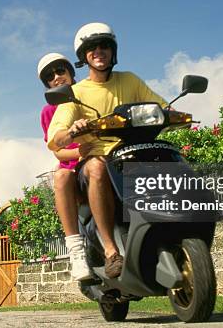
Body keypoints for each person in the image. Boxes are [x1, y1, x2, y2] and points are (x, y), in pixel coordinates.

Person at [47, 22, 168, 279]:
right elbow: (56, 137)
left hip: (133, 153)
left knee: (167, 155)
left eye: (104, 46)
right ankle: (112, 252)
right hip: (97, 162)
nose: (98, 51)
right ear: (84, 56)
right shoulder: (75, 93)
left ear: (113, 51)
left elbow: (161, 106)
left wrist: (173, 114)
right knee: (96, 165)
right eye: (92, 48)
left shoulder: (130, 80)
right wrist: (71, 131)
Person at [37, 52, 93, 281]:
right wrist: (81, 151)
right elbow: (57, 150)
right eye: (50, 77)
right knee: (60, 178)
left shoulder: (91, 93)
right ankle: (76, 252)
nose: (57, 78)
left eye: (60, 71)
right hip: (73, 166)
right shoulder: (48, 111)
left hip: (103, 155)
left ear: (70, 71)